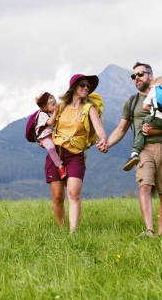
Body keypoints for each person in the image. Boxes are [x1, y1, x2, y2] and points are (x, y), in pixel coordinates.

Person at [96, 62, 162, 237]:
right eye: (133, 76)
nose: (136, 78)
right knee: (145, 187)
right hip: (143, 149)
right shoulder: (132, 101)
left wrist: (157, 130)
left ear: (150, 76)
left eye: (140, 74)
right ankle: (149, 230)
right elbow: (121, 129)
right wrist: (107, 143)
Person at [47, 74, 106, 234]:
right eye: (82, 85)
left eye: (88, 86)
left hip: (76, 155)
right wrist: (41, 139)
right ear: (73, 87)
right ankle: (61, 230)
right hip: (56, 155)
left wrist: (104, 140)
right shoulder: (60, 106)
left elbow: (99, 127)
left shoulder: (89, 109)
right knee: (58, 196)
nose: (86, 88)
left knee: (73, 193)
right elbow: (47, 125)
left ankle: (73, 233)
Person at [34, 92, 67, 179]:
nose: (55, 105)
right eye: (53, 105)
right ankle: (60, 166)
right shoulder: (42, 114)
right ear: (45, 108)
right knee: (51, 148)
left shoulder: (52, 109)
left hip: (53, 134)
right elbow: (50, 122)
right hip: (44, 136)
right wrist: (56, 112)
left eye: (55, 103)